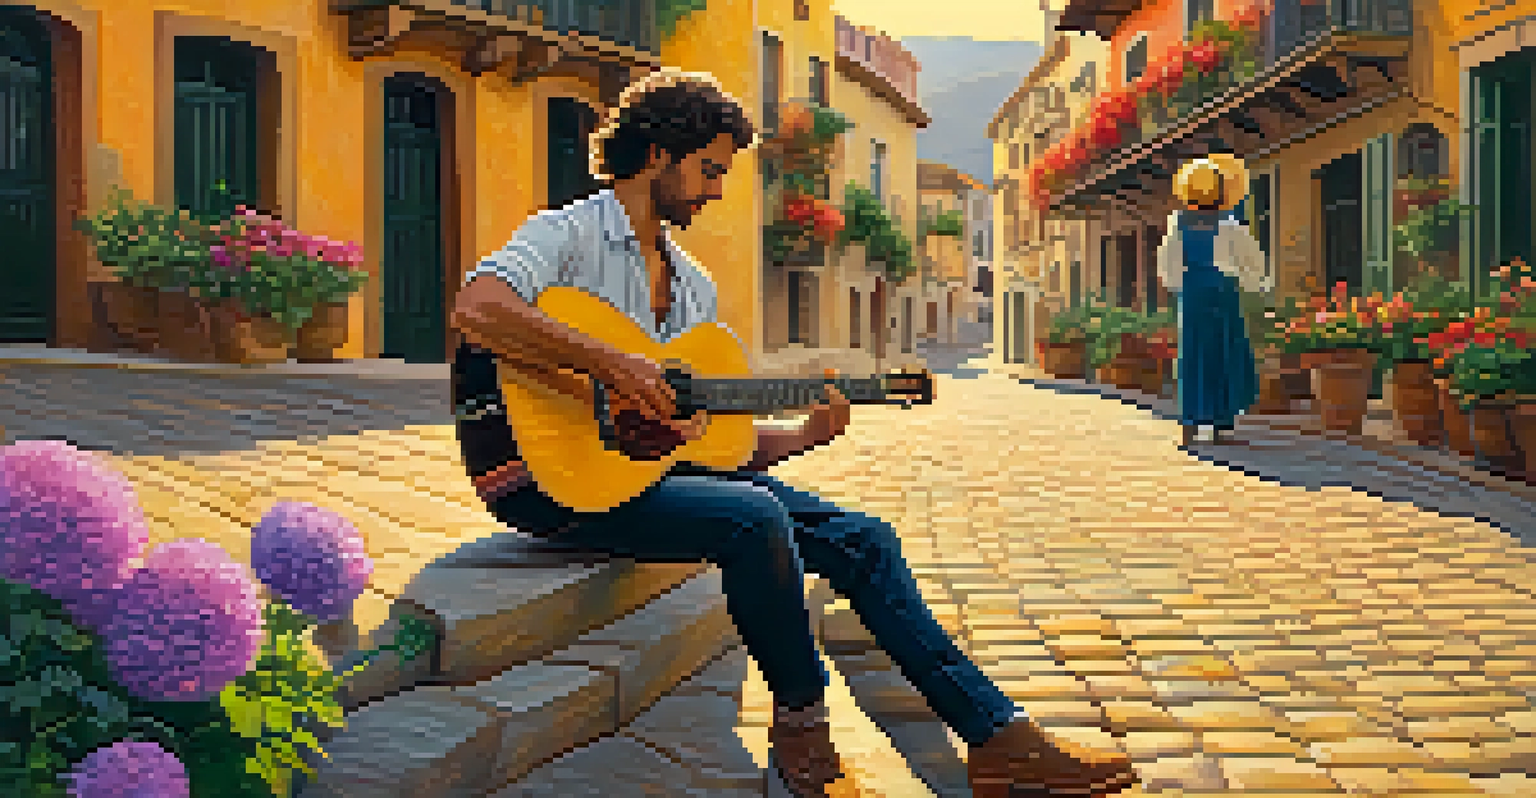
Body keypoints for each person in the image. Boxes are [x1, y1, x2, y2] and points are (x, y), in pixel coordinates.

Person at [449, 68, 1138, 798]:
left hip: (643, 478)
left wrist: (805, 435)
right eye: (709, 169)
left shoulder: (692, 285)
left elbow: (711, 446)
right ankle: (802, 721)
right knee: (753, 516)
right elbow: (477, 308)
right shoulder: (567, 234)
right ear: (656, 153)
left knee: (864, 537)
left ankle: (998, 737)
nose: (716, 190)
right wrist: (611, 363)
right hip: (539, 479)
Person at [1156, 155, 1272, 447]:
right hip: (1222, 292)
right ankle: (1219, 421)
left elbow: (1168, 261)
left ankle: (1190, 420)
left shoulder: (1178, 221)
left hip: (1193, 292)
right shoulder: (1229, 221)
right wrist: (1258, 285)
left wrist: (1176, 287)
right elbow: (1251, 259)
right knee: (1223, 354)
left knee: (1192, 355)